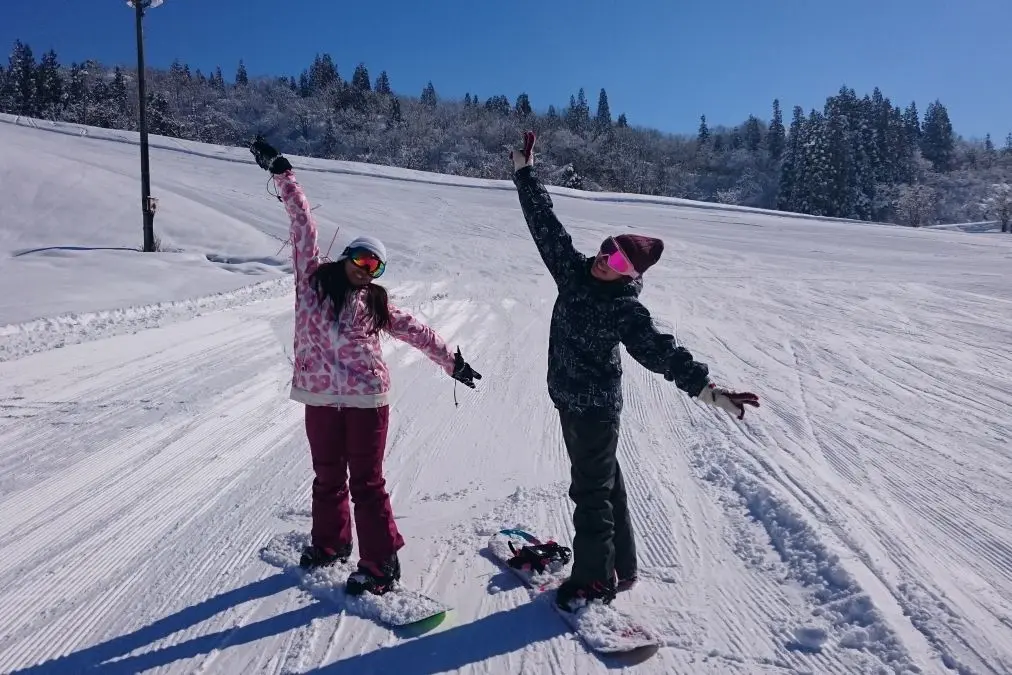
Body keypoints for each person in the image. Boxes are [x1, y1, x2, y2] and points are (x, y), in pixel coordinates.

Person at [507, 131, 759, 612]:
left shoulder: (624, 309)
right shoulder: (575, 272)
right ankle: (622, 567)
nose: (605, 259)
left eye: (619, 259)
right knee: (605, 482)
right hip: (569, 399)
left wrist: (708, 391)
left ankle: (594, 581)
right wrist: (524, 173)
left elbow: (663, 353)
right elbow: (546, 225)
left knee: (590, 494)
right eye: (607, 249)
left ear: (632, 274)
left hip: (595, 410)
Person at [249, 136, 482, 596]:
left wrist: (451, 361)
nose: (365, 268)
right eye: (359, 258)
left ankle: (381, 562)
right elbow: (302, 224)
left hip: (366, 400)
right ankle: (331, 544)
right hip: (319, 397)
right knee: (327, 475)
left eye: (374, 265)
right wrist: (283, 173)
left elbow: (415, 330)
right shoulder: (312, 284)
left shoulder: (374, 303)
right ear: (346, 257)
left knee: (367, 482)